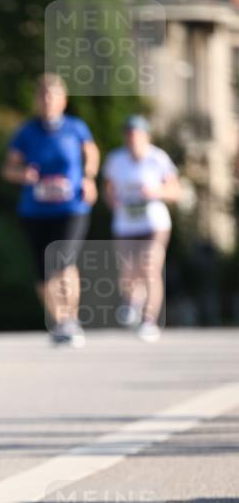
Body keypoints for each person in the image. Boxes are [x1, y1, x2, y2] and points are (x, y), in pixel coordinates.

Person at [1, 74, 100, 347]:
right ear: (36, 100)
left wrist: (89, 177)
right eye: (42, 96)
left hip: (71, 207)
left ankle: (72, 319)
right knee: (43, 273)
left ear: (63, 100)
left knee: (63, 261)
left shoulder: (75, 128)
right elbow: (9, 169)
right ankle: (59, 322)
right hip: (35, 210)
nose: (47, 101)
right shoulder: (27, 131)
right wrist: (23, 174)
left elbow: (91, 154)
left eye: (52, 95)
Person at [103, 115, 180, 342]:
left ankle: (149, 320)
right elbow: (108, 189)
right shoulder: (116, 159)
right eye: (128, 134)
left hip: (154, 222)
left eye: (136, 134)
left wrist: (156, 192)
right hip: (126, 223)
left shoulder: (158, 158)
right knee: (128, 270)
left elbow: (176, 191)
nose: (132, 139)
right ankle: (132, 301)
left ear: (146, 136)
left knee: (149, 266)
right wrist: (113, 201)